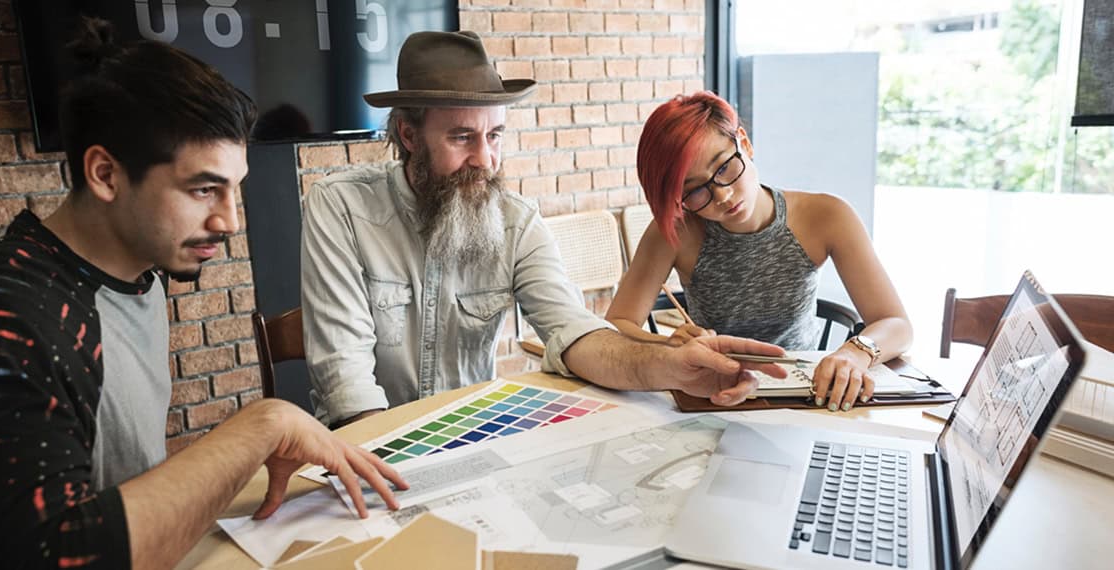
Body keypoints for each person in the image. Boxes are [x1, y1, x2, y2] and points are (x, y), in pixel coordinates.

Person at [0, 19, 405, 570]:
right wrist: (262, 427)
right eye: (202, 189)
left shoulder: (139, 276)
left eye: (234, 190)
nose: (229, 221)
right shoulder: (6, 314)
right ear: (105, 173)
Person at [300, 31, 787, 428]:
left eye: (494, 135)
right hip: (365, 448)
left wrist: (669, 369)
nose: (486, 160)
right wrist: (396, 463)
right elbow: (349, 384)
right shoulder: (339, 207)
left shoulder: (516, 221)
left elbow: (578, 335)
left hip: (468, 439)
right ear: (409, 136)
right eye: (462, 137)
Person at [605, 91, 914, 413]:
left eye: (724, 168)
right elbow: (617, 325)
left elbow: (897, 324)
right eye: (695, 191)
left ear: (744, 143)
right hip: (713, 395)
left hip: (805, 396)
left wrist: (854, 352)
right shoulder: (675, 231)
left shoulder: (827, 215)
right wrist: (670, 346)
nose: (722, 195)